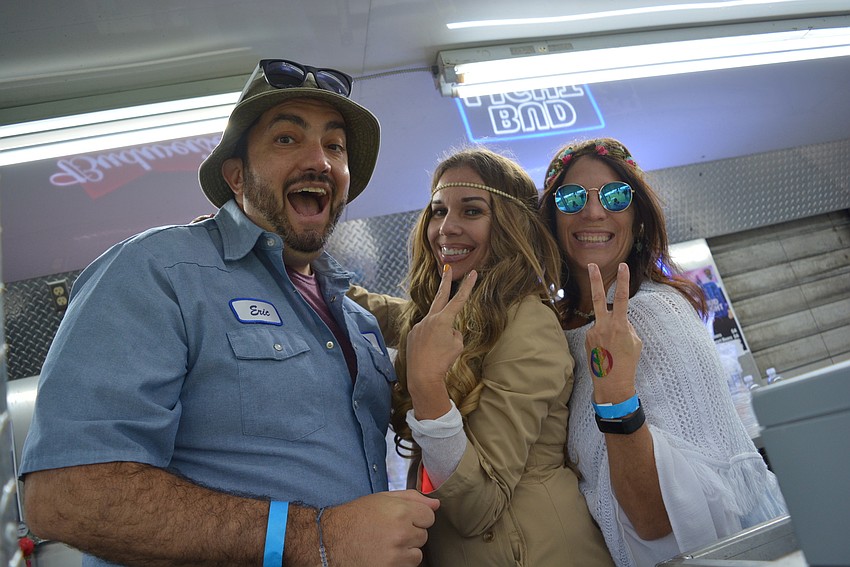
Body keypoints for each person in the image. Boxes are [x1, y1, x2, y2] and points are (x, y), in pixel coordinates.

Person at [19, 58, 438, 567]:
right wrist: (315, 537)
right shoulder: (159, 271)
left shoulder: (356, 321)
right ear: (237, 176)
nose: (319, 161)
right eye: (287, 139)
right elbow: (67, 494)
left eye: (335, 146)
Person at [349, 147, 614, 566]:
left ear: (509, 225)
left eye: (471, 211)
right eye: (438, 211)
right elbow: (386, 314)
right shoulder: (460, 313)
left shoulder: (528, 323)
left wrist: (427, 389)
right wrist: (304, 272)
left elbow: (479, 504)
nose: (446, 228)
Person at [538, 137, 787, 567]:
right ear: (551, 219)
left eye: (616, 196)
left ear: (637, 219)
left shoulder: (654, 312)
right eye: (572, 197)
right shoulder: (551, 329)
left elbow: (659, 519)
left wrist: (614, 391)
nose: (593, 211)